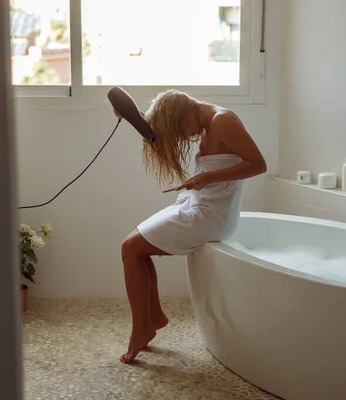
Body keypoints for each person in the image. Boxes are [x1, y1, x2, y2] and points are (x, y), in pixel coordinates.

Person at [114, 89, 267, 363]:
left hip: (212, 216)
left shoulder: (222, 120)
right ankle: (153, 317)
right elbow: (121, 98)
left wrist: (209, 176)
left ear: (186, 114)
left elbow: (258, 164)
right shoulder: (202, 119)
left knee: (131, 247)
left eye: (180, 130)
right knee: (134, 245)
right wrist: (130, 116)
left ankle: (142, 328)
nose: (184, 138)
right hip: (196, 203)